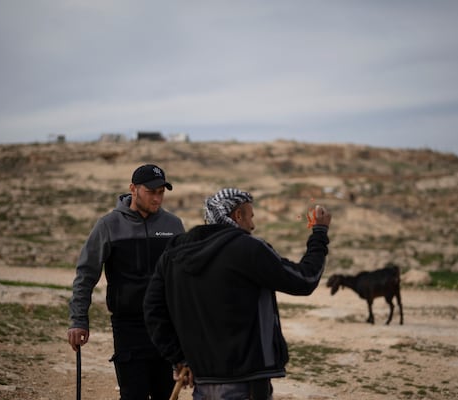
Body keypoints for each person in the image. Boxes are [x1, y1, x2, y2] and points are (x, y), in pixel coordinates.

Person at [143, 188, 331, 399]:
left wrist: (179, 358)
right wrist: (319, 234)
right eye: (250, 216)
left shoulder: (173, 254)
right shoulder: (248, 248)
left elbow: (152, 309)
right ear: (237, 215)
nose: (252, 225)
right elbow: (304, 280)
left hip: (203, 381)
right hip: (245, 382)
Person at [68, 164, 185, 400]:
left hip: (166, 325)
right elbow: (86, 275)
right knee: (133, 394)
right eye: (151, 191)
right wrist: (78, 319)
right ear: (133, 189)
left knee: (166, 394)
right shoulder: (108, 225)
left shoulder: (173, 225)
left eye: (161, 192)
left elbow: (184, 277)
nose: (157, 197)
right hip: (128, 325)